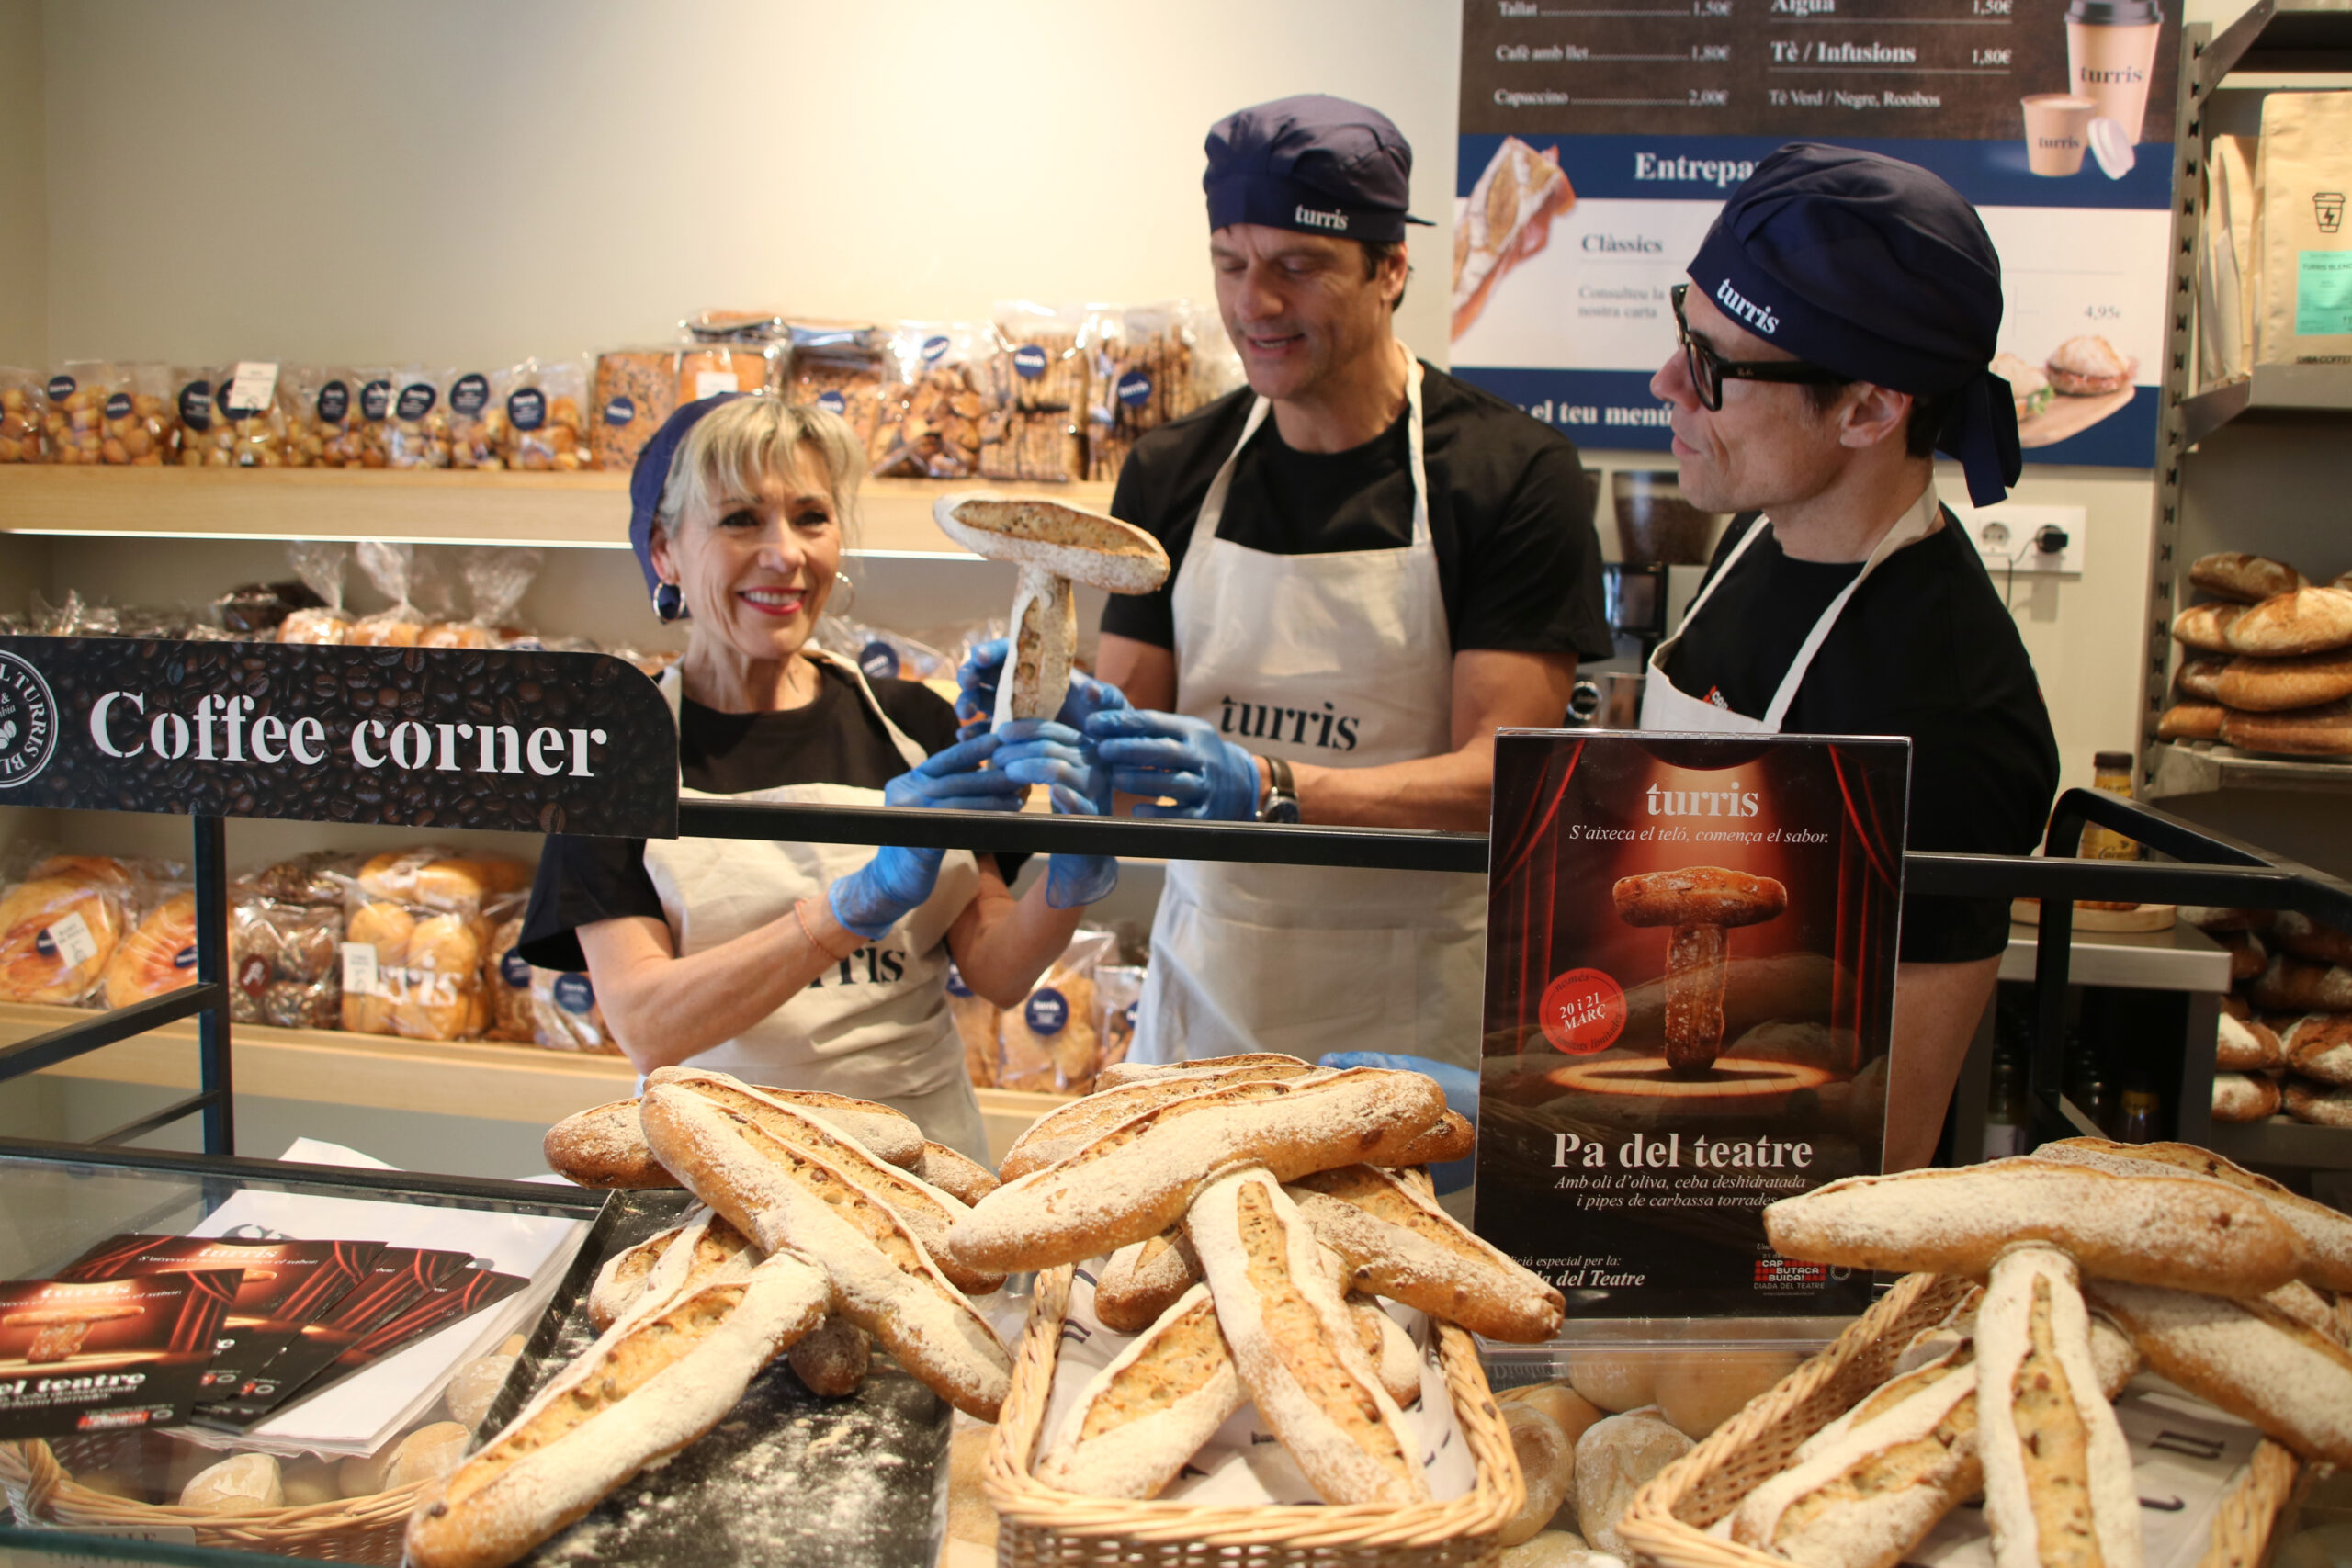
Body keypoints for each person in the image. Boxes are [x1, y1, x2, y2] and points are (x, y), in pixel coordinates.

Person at [961, 94, 1611, 1071]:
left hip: (1418, 1002)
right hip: (1211, 989)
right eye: (1231, 264)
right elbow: (1123, 776)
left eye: (1297, 267)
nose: (1254, 304)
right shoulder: (1174, 471)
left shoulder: (1509, 473)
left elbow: (1502, 781)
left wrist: (1273, 786)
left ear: (1391, 269)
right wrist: (1049, 717)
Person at [516, 393, 1110, 1160]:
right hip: (721, 1162)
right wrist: (851, 907)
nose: (786, 553)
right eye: (740, 519)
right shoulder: (612, 755)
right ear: (664, 551)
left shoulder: (911, 724)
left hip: (920, 1158)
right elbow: (647, 1024)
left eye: (811, 517)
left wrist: (1074, 869)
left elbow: (998, 971)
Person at [1638, 142, 2062, 1170]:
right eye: (1682, 331)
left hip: (1773, 1229)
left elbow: (1883, 1137)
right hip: (1641, 1140)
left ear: (1870, 409)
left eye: (1712, 367)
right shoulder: (1758, 537)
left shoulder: (1952, 716)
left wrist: (1574, 1127)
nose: (1665, 383)